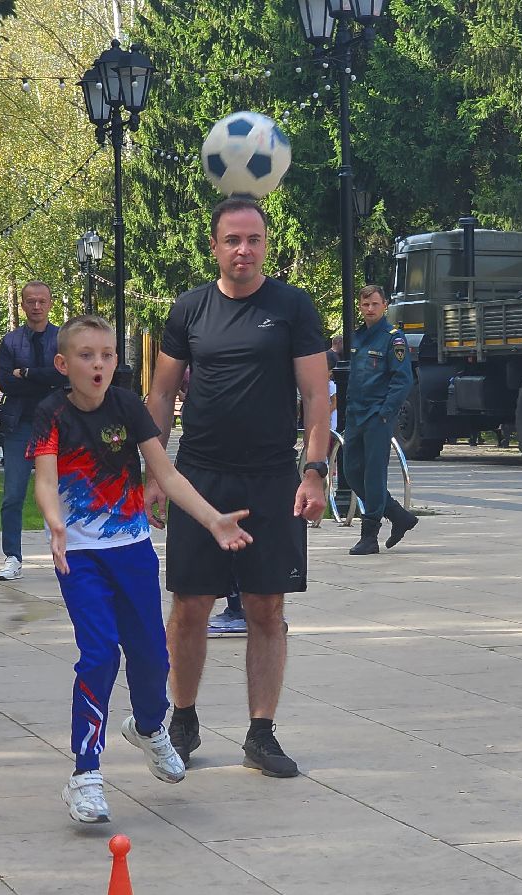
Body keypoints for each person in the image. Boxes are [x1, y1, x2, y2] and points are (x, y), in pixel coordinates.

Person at [31, 313, 253, 823]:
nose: (99, 365)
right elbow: (45, 480)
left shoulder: (128, 405)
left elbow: (167, 474)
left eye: (107, 356)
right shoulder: (51, 414)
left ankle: (150, 726)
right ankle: (85, 774)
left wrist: (213, 519)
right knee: (99, 655)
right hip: (81, 557)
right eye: (87, 356)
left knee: (153, 654)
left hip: (131, 550)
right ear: (64, 364)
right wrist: (54, 521)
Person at [144, 197, 330, 779]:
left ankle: (261, 732)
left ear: (266, 245)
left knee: (265, 607)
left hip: (272, 477)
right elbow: (159, 396)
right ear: (215, 246)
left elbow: (316, 397)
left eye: (253, 239)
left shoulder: (293, 307)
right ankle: (183, 720)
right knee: (191, 605)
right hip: (200, 477)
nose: (243, 250)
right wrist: (154, 473)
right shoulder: (190, 310)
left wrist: (314, 470)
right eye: (232, 240)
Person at [344, 284, 418, 555]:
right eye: (365, 305)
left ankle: (369, 534)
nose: (370, 309)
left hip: (378, 415)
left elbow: (402, 380)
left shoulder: (393, 339)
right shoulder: (357, 338)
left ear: (385, 305)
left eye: (375, 304)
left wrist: (386, 413)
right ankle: (399, 516)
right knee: (351, 472)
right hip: (355, 415)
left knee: (374, 475)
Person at [0, 281, 65, 581]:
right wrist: (46, 378)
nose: (36, 306)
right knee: (13, 494)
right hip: (20, 425)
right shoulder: (11, 342)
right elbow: (6, 385)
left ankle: (66, 551)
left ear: (50, 304)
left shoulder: (63, 339)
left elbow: (66, 377)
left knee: (64, 493)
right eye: (30, 301)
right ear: (22, 305)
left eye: (41, 301)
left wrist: (26, 373)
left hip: (58, 425)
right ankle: (12, 555)